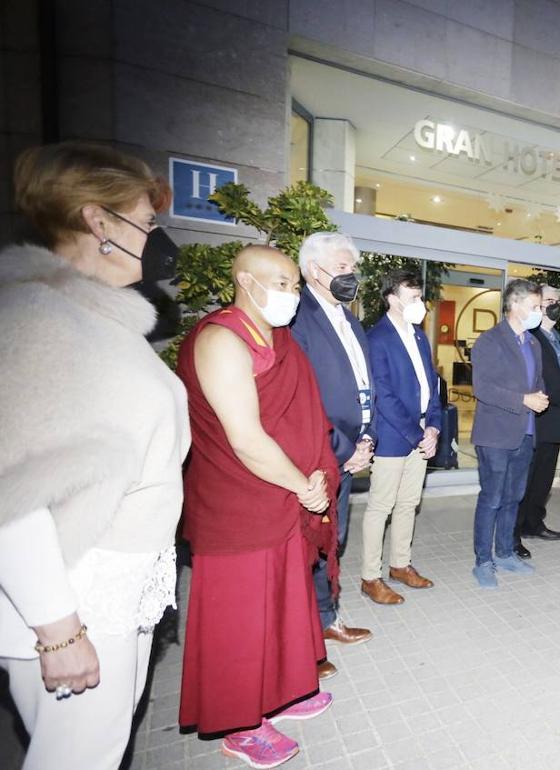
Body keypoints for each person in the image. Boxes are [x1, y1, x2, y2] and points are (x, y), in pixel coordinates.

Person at [0, 142, 189, 769]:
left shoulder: (100, 318)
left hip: (117, 589)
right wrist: (59, 630)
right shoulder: (36, 314)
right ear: (98, 221)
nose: (157, 238)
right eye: (148, 220)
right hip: (78, 596)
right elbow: (10, 491)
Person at [178, 246, 338, 765]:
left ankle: (283, 693)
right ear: (246, 281)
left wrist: (313, 472)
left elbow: (303, 417)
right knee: (240, 621)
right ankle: (239, 723)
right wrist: (304, 485)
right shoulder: (220, 339)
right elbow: (245, 437)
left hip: (285, 493)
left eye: (295, 286)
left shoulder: (281, 339)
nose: (291, 296)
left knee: (284, 602)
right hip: (238, 501)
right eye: (282, 284)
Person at [289, 232, 373, 672]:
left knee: (332, 542)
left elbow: (365, 385)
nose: (350, 276)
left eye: (351, 267)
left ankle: (326, 619)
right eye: (341, 268)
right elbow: (303, 399)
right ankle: (302, 637)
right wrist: (341, 450)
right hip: (317, 454)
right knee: (307, 547)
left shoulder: (349, 319)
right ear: (312, 271)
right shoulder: (298, 319)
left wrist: (367, 440)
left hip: (350, 449)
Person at [359, 270, 442, 605]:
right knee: (381, 506)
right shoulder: (377, 338)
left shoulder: (420, 336)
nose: (419, 304)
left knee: (409, 503)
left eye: (420, 297)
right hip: (395, 436)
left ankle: (400, 565)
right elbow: (384, 395)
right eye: (413, 298)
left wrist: (434, 426)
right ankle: (370, 576)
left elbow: (432, 385)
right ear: (392, 299)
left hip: (422, 433)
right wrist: (417, 433)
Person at [469, 279, 547, 589]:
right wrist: (523, 400)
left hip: (525, 432)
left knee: (514, 497)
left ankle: (503, 552)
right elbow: (483, 388)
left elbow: (536, 380)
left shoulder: (533, 343)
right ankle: (482, 561)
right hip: (495, 435)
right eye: (534, 307)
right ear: (514, 305)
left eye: (539, 307)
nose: (538, 312)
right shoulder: (490, 341)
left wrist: (539, 396)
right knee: (492, 498)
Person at [514, 285, 560, 558]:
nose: (554, 304)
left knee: (543, 478)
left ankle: (534, 522)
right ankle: (513, 533)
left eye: (557, 300)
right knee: (525, 479)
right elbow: (533, 378)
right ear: (537, 304)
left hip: (557, 418)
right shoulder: (530, 337)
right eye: (548, 300)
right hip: (537, 417)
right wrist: (559, 396)